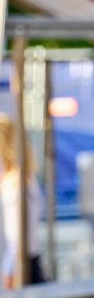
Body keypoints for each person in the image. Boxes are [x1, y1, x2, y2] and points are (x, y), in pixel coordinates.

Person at [0, 114, 45, 289]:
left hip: (19, 271)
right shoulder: (20, 181)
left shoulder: (16, 186)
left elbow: (16, 242)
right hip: (21, 265)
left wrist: (8, 274)